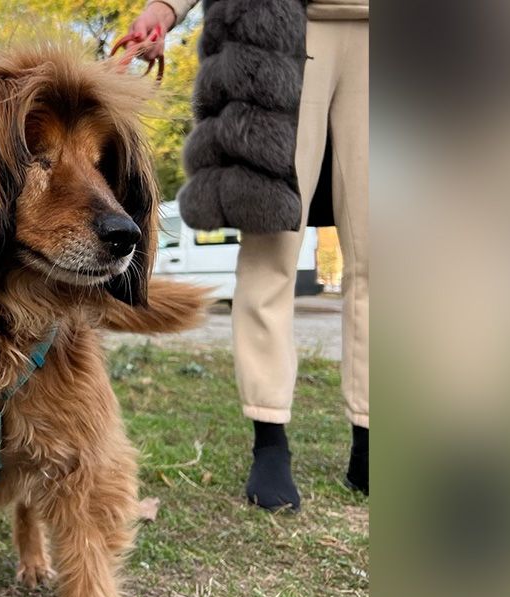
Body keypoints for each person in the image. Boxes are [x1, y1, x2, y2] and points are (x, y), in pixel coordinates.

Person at [122, 0, 369, 510]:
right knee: (270, 247)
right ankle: (270, 438)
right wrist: (165, 9)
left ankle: (371, 439)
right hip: (279, 28)